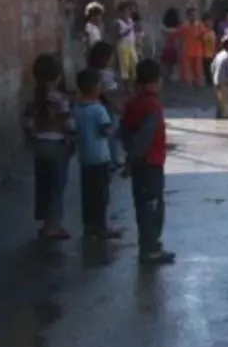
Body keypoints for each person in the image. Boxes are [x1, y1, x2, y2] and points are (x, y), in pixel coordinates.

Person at [119, 59, 175, 264]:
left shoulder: (132, 104)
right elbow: (145, 137)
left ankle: (148, 244)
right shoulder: (153, 105)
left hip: (141, 163)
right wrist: (131, 159)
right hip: (150, 162)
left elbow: (124, 131)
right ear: (152, 83)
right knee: (153, 206)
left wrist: (129, 157)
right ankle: (150, 247)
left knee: (142, 205)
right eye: (158, 80)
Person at [23, 54, 74, 240]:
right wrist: (71, 139)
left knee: (43, 184)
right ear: (58, 76)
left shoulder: (34, 98)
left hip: (39, 145)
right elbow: (68, 123)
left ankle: (45, 221)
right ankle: (54, 225)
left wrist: (30, 138)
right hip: (57, 145)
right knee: (57, 186)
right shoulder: (60, 98)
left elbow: (27, 122)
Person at [72, 69, 120, 240]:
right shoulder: (98, 109)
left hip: (85, 158)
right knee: (101, 194)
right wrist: (114, 128)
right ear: (95, 88)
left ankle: (89, 226)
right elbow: (105, 130)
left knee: (88, 195)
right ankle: (101, 227)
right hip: (100, 157)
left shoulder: (77, 109)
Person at [89, 41, 124, 167]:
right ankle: (113, 159)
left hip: (101, 106)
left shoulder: (94, 72)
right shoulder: (106, 74)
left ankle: (110, 158)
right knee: (111, 135)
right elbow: (109, 93)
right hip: (109, 107)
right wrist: (118, 107)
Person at [212, 34, 228, 119]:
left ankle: (219, 113)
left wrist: (214, 76)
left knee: (219, 99)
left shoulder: (219, 54)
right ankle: (225, 115)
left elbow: (212, 66)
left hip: (217, 79)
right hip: (224, 80)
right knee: (225, 99)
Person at [178, 7, 205, 88]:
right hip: (187, 51)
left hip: (197, 51)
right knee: (187, 68)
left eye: (195, 15)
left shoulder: (199, 25)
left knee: (197, 68)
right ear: (188, 16)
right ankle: (189, 82)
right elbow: (181, 36)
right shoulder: (184, 26)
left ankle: (198, 83)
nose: (194, 16)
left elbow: (203, 36)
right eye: (192, 15)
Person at [115, 2, 138, 86]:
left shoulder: (130, 20)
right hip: (123, 46)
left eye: (128, 11)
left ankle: (134, 82)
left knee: (134, 63)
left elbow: (134, 32)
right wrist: (126, 31)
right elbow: (117, 35)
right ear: (121, 12)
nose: (127, 13)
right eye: (125, 11)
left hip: (131, 45)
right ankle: (126, 85)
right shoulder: (118, 22)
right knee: (125, 66)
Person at [161, 7, 183, 81]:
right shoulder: (180, 27)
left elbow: (165, 33)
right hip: (176, 48)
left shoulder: (164, 27)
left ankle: (166, 78)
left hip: (167, 49)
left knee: (166, 67)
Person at [200, 14, 218, 87]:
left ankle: (210, 80)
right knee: (206, 68)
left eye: (212, 22)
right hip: (204, 53)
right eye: (209, 22)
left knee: (210, 68)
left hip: (211, 53)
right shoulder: (204, 32)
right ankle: (209, 81)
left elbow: (214, 43)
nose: (211, 23)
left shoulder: (212, 32)